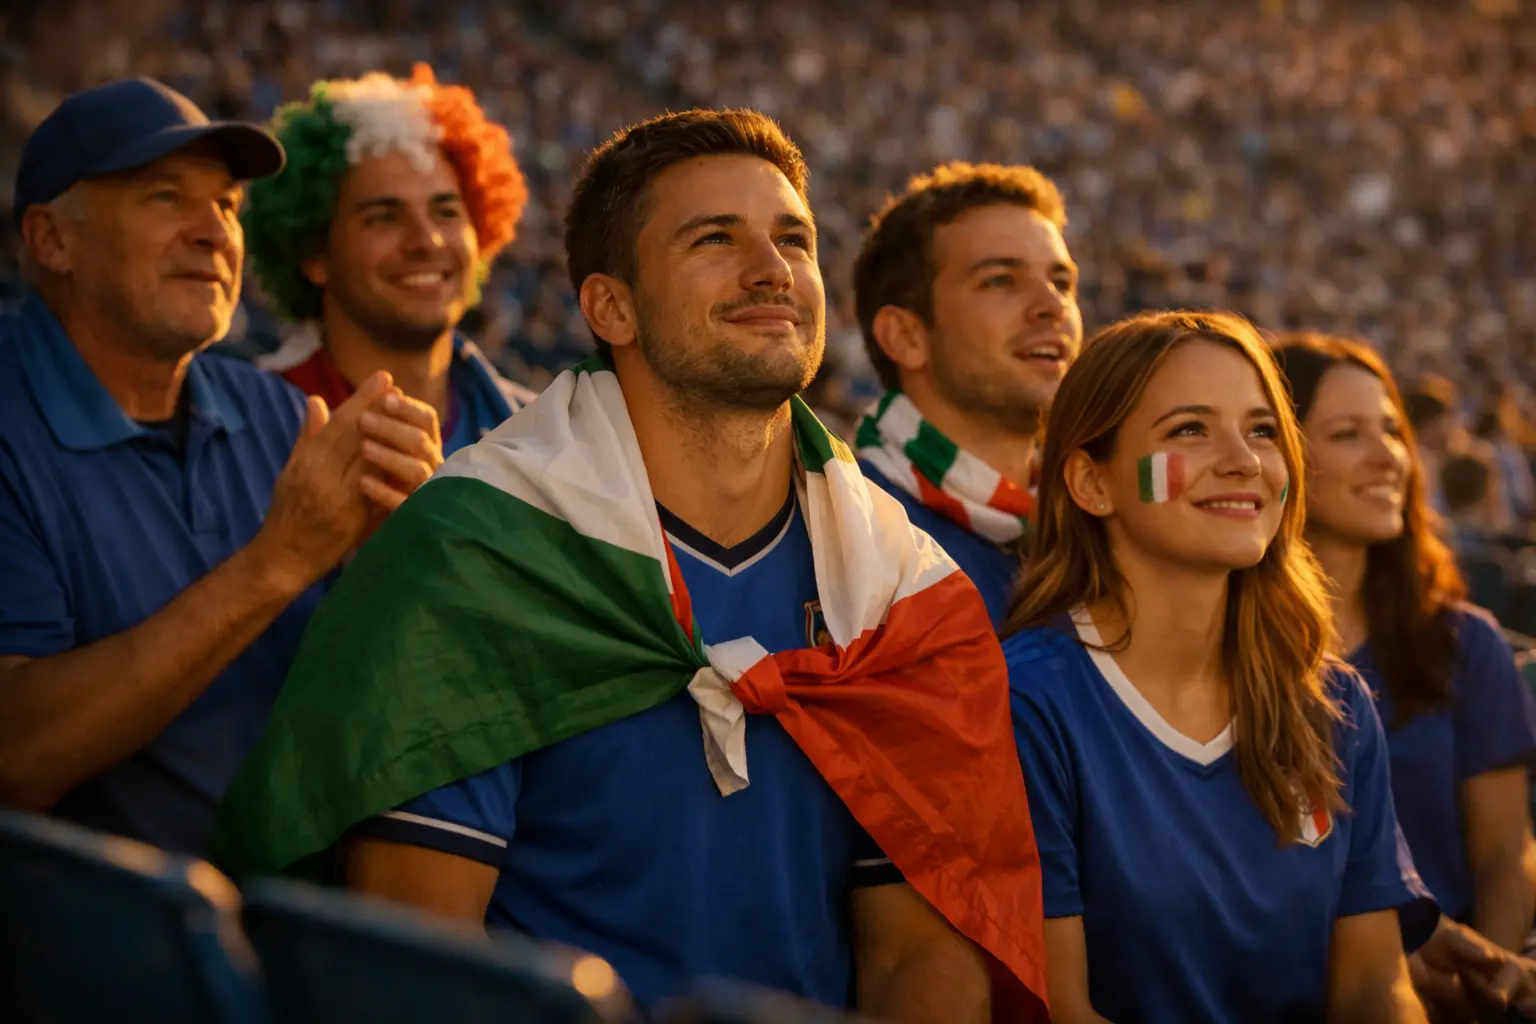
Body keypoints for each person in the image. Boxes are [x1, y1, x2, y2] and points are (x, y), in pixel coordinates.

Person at [215, 110, 1049, 1021]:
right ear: (610, 306)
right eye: (714, 240)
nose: (771, 269)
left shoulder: (901, 589)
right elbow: (420, 963)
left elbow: (923, 953)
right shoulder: (473, 552)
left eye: (793, 240)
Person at [0, 77, 442, 856]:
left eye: (229, 206)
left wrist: (397, 566)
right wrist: (279, 561)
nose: (212, 231)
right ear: (51, 240)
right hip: (106, 948)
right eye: (165, 197)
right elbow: (17, 759)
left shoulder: (277, 415)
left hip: (296, 919)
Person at [1005, 310, 1437, 1023]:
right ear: (1090, 482)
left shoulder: (1338, 705)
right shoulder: (1027, 702)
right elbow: (1059, 1007)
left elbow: (1374, 988)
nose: (1244, 460)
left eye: (1262, 430)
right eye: (1189, 429)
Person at [1275, 333, 1536, 1016]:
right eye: (1348, 433)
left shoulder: (1464, 644)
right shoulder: (1234, 658)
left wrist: (1489, 975)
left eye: (1391, 430)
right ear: (1282, 458)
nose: (1387, 454)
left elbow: (1505, 854)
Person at [245, 65, 535, 454]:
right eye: (383, 217)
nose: (426, 241)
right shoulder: (242, 438)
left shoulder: (544, 439)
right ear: (313, 253)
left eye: (446, 212)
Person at [852, 162, 1083, 627]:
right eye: (1000, 280)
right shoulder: (847, 533)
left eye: (1061, 282)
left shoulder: (1099, 526)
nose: (1052, 306)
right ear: (906, 337)